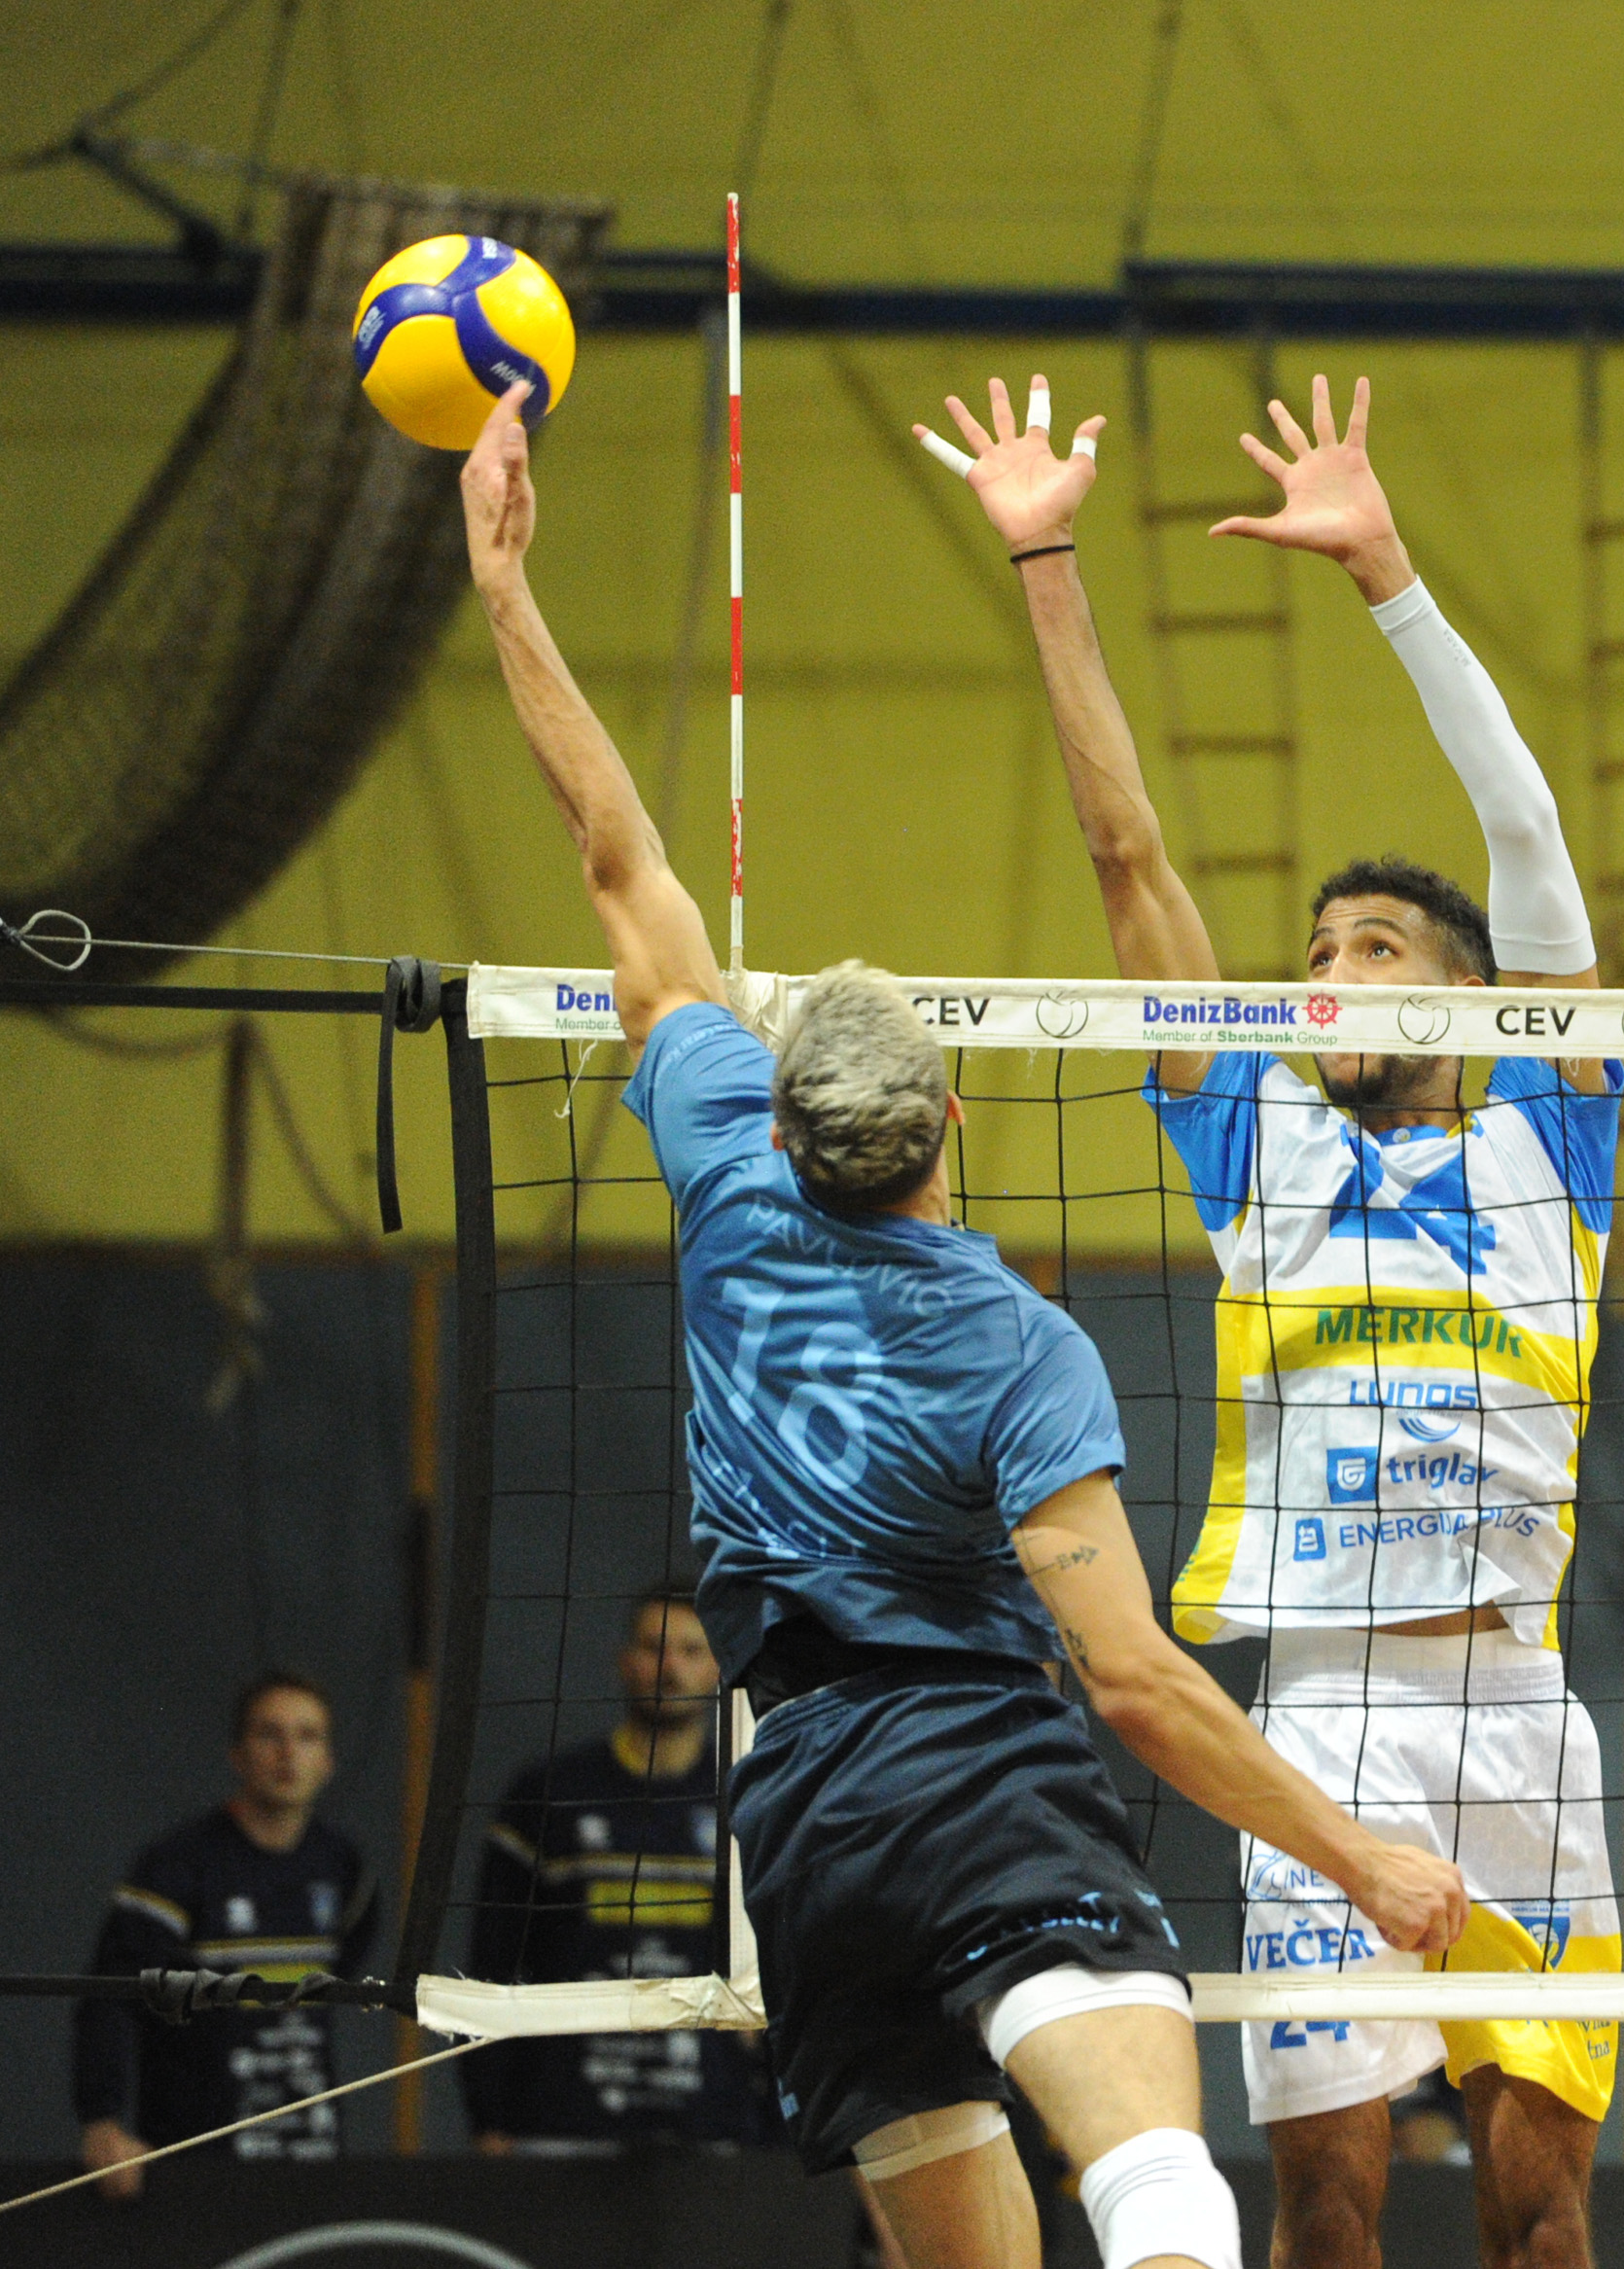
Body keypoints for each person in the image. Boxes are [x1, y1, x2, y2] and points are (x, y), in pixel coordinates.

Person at [457, 377, 1467, 2269]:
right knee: (1160, 2184)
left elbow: (618, 856)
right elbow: (1136, 1682)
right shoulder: (1020, 1345)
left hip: (804, 1814)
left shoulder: (725, 1178)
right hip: (988, 1779)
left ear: (778, 1125)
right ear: (953, 1122)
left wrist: (504, 586)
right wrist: (1366, 1857)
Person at [921, 371, 1621, 2269]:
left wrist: (1389, 574)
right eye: (1313, 954)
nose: (1329, 975)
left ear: (1473, 996)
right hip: (1323, 1712)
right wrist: (1046, 558)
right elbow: (1128, 860)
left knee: (1544, 2211)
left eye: (1375, 949)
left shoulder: (1554, 1136)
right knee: (1327, 2198)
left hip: (1523, 1708)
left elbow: (1528, 827)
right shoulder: (1260, 1144)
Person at [460, 1588, 774, 2150]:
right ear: (625, 1660)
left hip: (711, 2126)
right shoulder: (550, 1793)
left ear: (719, 1669)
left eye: (690, 1650)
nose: (670, 1667)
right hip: (561, 2122)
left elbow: (783, 1968)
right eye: (655, 1647)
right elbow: (492, 1961)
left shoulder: (751, 1798)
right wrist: (489, 2117)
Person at [72, 1671, 380, 2198]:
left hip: (313, 2154)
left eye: (307, 1736)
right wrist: (102, 2121)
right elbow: (110, 1996)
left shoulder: (345, 1868)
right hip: (193, 2160)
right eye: (269, 1734)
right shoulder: (175, 1866)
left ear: (328, 1761)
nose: (288, 1754)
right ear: (237, 1754)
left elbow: (346, 1965)